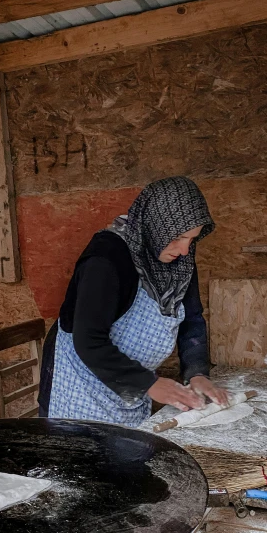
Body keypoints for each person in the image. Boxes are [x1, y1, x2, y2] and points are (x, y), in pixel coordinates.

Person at [38, 176, 228, 427]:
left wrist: (197, 373)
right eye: (178, 237)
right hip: (81, 385)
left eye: (191, 240)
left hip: (131, 387)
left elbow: (191, 321)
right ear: (157, 225)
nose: (183, 250)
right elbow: (88, 341)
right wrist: (147, 383)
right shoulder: (106, 258)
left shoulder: (179, 262)